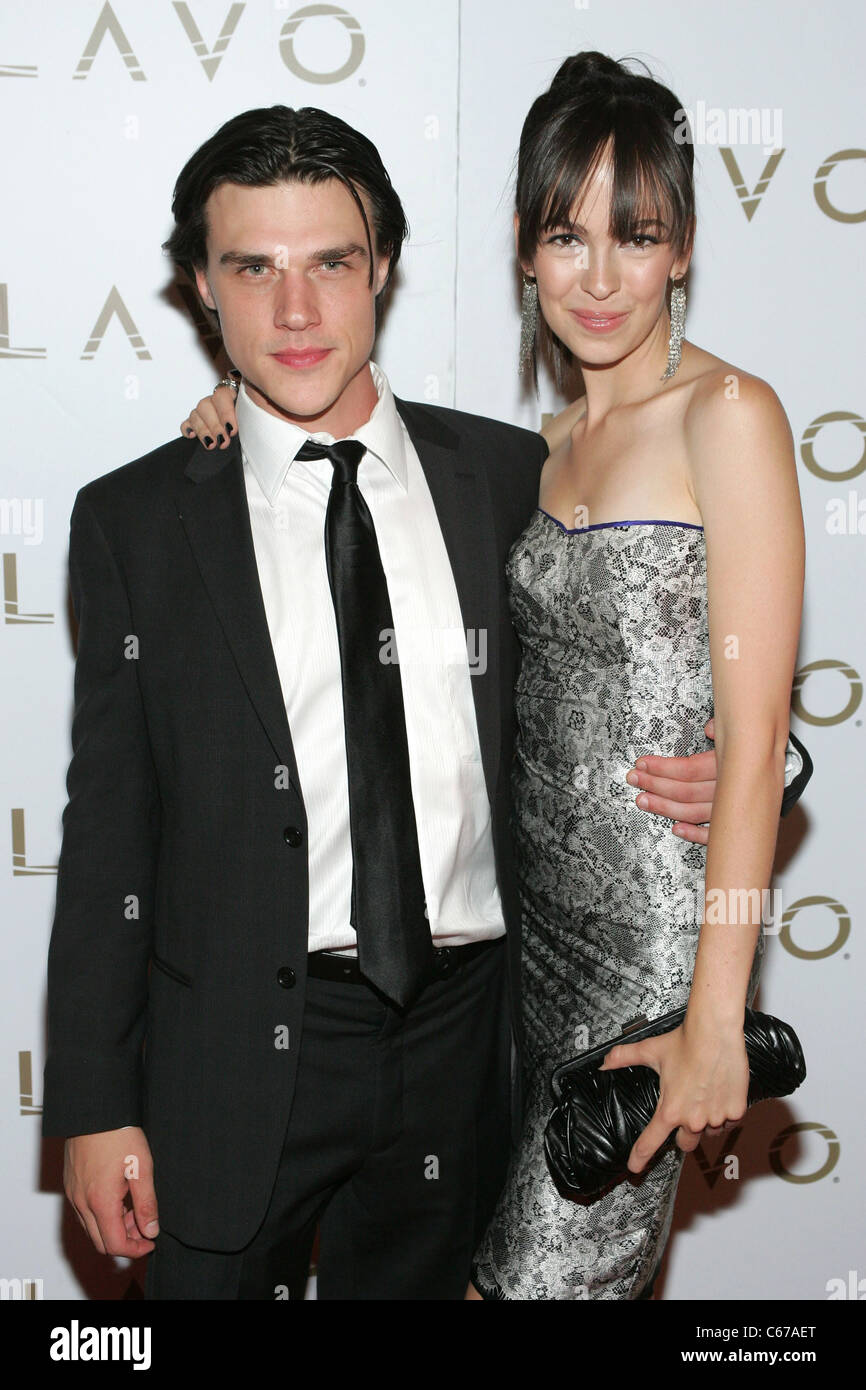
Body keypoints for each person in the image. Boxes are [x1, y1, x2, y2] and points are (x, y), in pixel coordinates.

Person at [45, 101, 807, 1302]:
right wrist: (90, 1106)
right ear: (201, 284)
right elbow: (105, 834)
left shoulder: (503, 476)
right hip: (233, 1057)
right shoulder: (139, 518)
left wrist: (762, 762)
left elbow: (627, 650)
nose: (296, 314)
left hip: (468, 1041)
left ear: (383, 268)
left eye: (332, 265)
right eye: (254, 267)